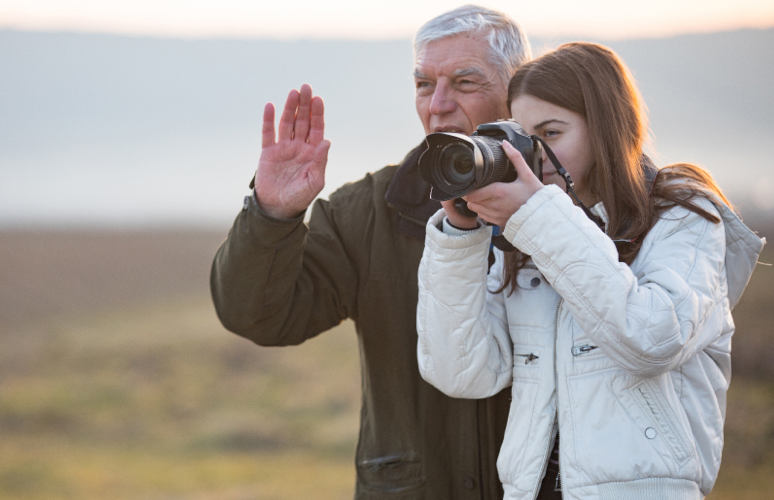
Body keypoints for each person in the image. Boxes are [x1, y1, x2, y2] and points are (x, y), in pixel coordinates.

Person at [416, 42, 765, 500]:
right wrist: (460, 236)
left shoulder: (684, 216)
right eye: (522, 138)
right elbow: (461, 373)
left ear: (605, 130)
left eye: (551, 134)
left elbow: (652, 339)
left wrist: (539, 216)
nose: (533, 156)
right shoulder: (529, 236)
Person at [210, 5, 531, 498]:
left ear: (516, 90)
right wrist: (271, 214)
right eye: (424, 84)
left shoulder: (574, 207)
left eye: (464, 83)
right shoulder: (367, 211)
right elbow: (258, 316)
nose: (438, 104)